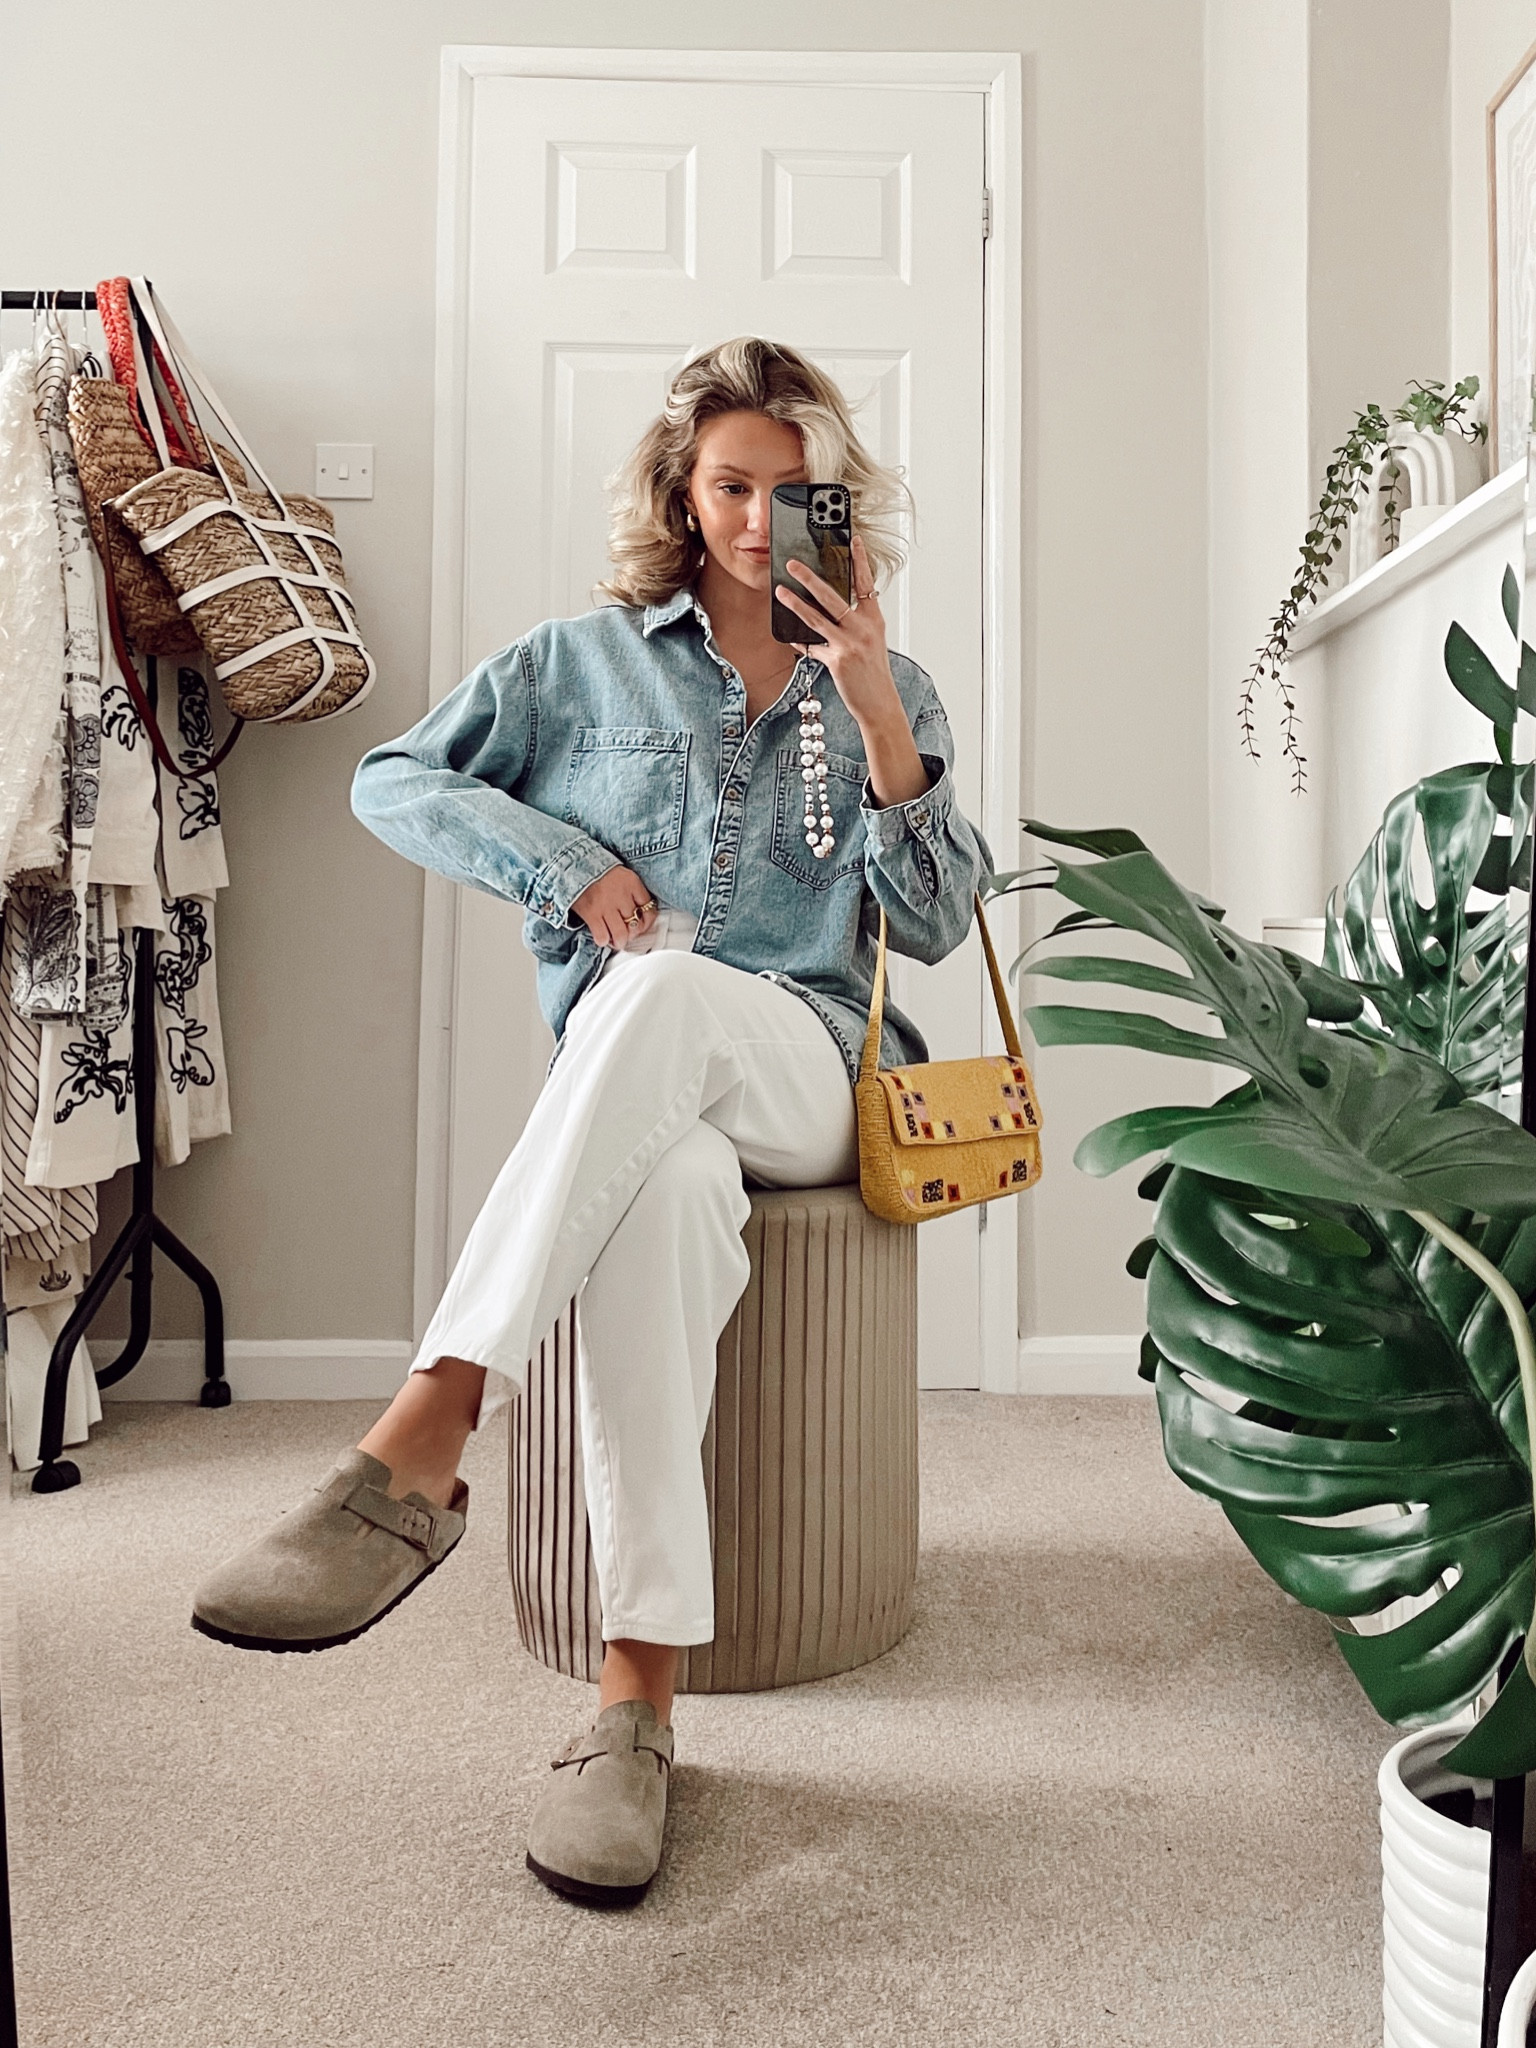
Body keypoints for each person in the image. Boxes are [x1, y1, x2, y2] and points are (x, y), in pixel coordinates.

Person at [192, 337, 989, 1905]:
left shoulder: (888, 682)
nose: (764, 522)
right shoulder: (581, 664)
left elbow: (946, 916)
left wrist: (879, 709)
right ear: (685, 502)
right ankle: (635, 1710)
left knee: (678, 989)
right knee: (664, 1196)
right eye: (733, 487)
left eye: (796, 492)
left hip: (820, 1073)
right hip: (657, 1090)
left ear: (839, 504)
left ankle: (424, 1434)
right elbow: (396, 781)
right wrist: (563, 863)